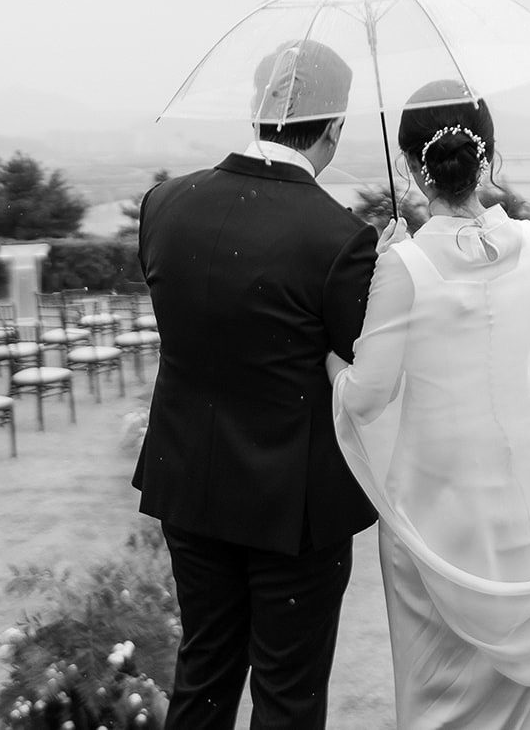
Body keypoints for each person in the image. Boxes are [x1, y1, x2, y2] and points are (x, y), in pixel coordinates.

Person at [329, 80, 530, 729]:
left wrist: (332, 365)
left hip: (435, 513)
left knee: (442, 696)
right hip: (528, 492)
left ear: (411, 166)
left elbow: (368, 397)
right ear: (488, 156)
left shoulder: (403, 265)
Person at [133, 39, 391, 730]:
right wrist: (387, 278)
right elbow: (361, 359)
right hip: (293, 504)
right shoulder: (339, 237)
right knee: (288, 694)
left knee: (205, 670)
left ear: (257, 109)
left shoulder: (164, 204)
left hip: (189, 481)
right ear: (335, 127)